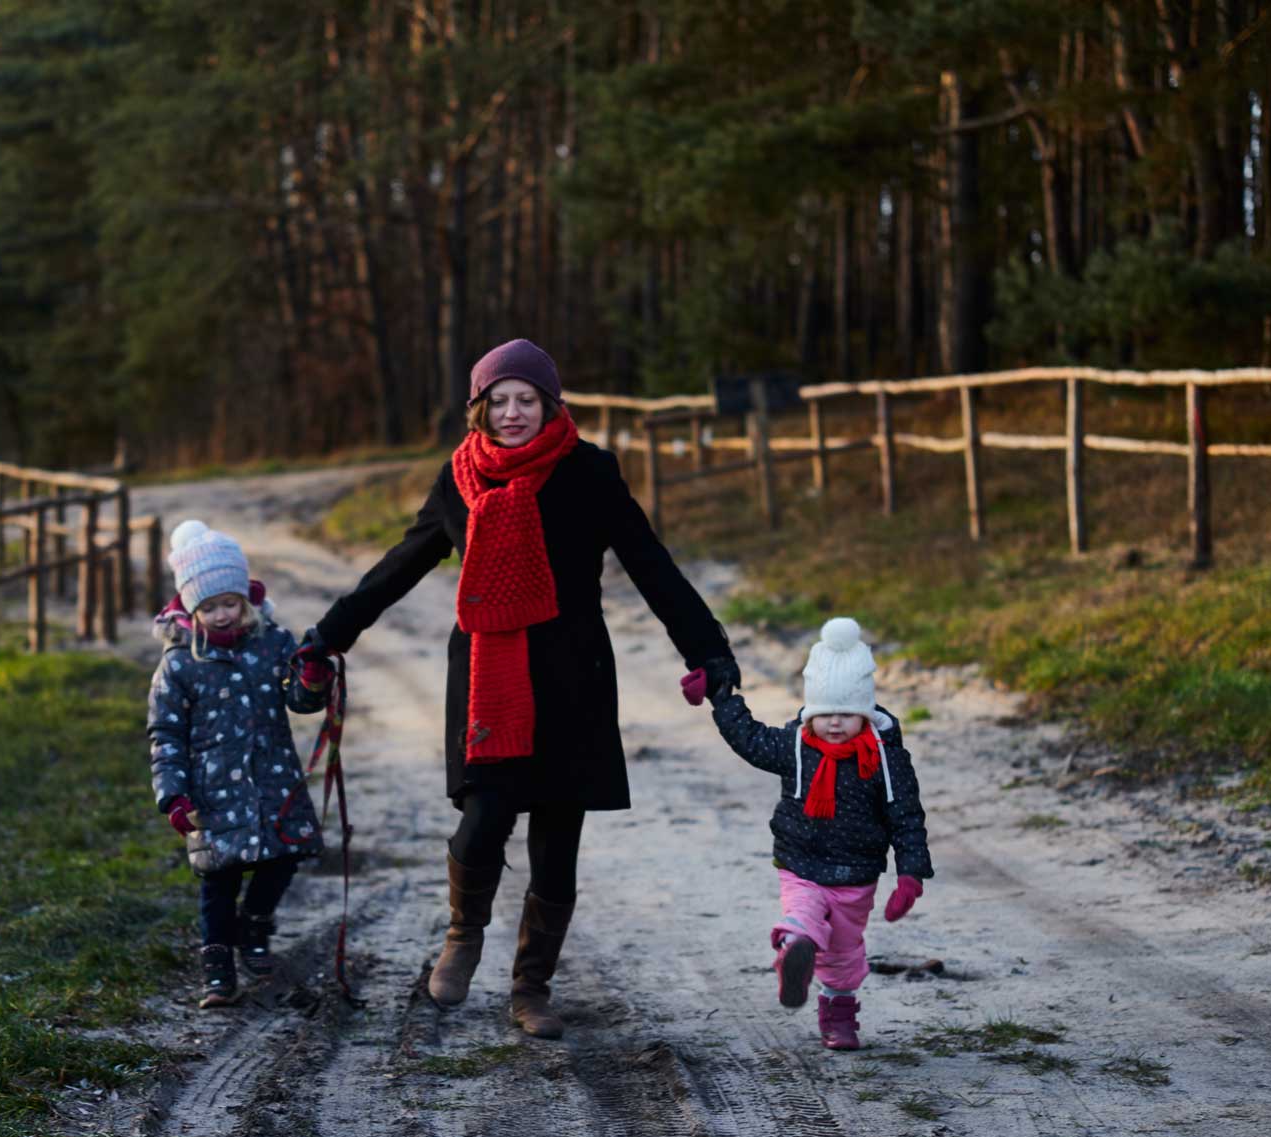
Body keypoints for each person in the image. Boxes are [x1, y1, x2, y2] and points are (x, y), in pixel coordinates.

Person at [299, 338, 738, 1038]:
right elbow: (401, 565)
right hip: (486, 682)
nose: (512, 413)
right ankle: (463, 933)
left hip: (572, 682)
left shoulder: (590, 473)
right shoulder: (459, 479)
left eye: (525, 399)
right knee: (481, 822)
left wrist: (709, 650)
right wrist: (328, 634)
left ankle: (531, 987)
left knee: (556, 843)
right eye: (498, 400)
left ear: (550, 403)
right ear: (479, 407)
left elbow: (653, 566)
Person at [694, 617, 933, 1050]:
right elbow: (749, 738)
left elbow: (906, 817)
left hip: (855, 874)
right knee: (802, 918)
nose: (835, 724)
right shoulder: (796, 746)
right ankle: (795, 951)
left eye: (847, 714)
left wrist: (911, 875)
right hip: (800, 864)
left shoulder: (885, 759)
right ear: (810, 712)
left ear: (865, 712)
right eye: (825, 714)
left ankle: (838, 1017)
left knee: (843, 953)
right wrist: (720, 694)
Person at [148, 519, 331, 1008]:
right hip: (211, 792)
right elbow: (165, 733)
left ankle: (255, 925)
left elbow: (302, 701)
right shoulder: (180, 663)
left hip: (274, 781)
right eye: (209, 607)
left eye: (230, 602)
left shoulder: (273, 643)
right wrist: (174, 794)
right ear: (191, 607)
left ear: (246, 597)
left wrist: (312, 676)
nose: (222, 615)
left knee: (285, 855)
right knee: (218, 878)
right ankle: (217, 968)